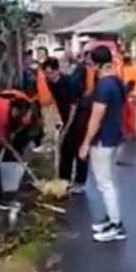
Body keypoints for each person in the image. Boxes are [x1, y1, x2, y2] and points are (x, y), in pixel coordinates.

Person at [78, 45, 127, 242]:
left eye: (91, 63)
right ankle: (112, 218)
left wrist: (85, 143)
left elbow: (96, 118)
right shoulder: (116, 81)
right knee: (110, 181)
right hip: (115, 136)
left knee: (105, 184)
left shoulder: (103, 86)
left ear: (97, 65)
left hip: (103, 140)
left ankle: (116, 226)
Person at [41, 57, 88, 193]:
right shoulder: (50, 83)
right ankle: (64, 180)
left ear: (57, 71)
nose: (47, 76)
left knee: (78, 149)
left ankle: (80, 182)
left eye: (50, 73)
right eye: (46, 73)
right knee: (64, 148)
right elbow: (56, 102)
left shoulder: (70, 83)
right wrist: (57, 120)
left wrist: (66, 129)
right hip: (66, 115)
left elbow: (73, 109)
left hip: (79, 117)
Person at [120, 53, 136, 141]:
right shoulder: (120, 68)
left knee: (132, 114)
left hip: (132, 93)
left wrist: (134, 93)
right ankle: (125, 132)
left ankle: (134, 132)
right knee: (123, 114)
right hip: (123, 93)